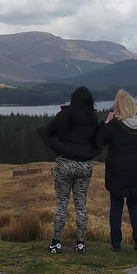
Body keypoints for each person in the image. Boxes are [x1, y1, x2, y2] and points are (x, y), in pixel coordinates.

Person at [36, 86, 103, 254]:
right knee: (81, 204)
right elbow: (95, 138)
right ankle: (80, 243)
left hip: (65, 164)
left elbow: (50, 129)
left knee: (61, 203)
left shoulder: (64, 115)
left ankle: (56, 242)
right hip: (85, 165)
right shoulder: (92, 118)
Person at [101, 90, 137, 252]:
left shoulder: (114, 124)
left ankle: (116, 243)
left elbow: (102, 139)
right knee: (135, 203)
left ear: (120, 106)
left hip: (118, 170)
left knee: (116, 204)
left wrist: (108, 121)